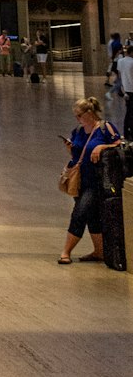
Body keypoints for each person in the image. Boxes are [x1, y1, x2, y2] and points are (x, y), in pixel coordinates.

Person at [58, 96, 121, 264]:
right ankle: (99, 251)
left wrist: (102, 146)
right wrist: (71, 150)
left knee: (80, 213)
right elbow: (78, 155)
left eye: (79, 115)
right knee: (92, 216)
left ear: (90, 113)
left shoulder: (104, 128)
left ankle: (66, 251)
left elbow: (120, 146)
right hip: (81, 180)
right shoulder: (78, 131)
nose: (77, 119)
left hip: (97, 181)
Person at [115, 47, 133, 140]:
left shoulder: (120, 61)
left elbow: (119, 75)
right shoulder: (132, 62)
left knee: (128, 112)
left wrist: (122, 88)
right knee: (131, 113)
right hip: (132, 89)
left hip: (125, 89)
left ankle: (126, 132)